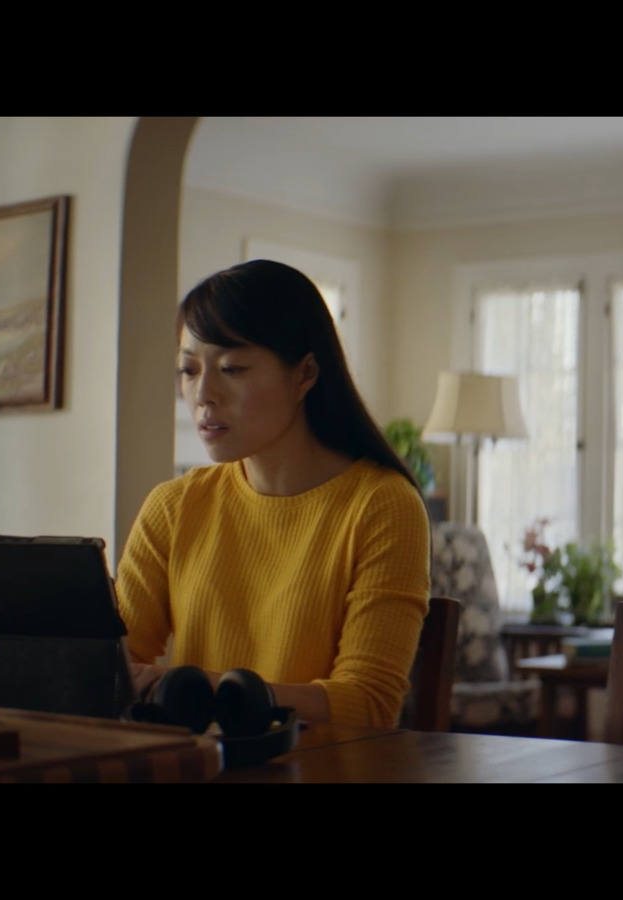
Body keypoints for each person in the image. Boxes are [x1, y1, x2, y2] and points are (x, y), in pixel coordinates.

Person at [115, 259, 430, 729]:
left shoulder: (381, 505)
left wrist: (210, 688)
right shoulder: (174, 507)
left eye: (231, 368)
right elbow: (114, 670)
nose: (204, 394)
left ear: (304, 374)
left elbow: (367, 704)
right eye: (188, 370)